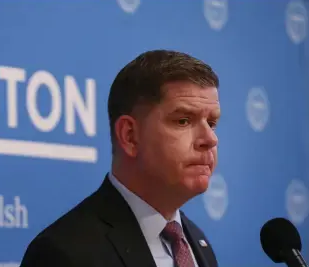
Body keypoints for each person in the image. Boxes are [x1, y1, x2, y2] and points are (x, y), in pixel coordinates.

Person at [20, 50, 221, 267]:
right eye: (183, 121)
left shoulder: (198, 244)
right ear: (130, 136)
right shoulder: (64, 253)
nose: (210, 139)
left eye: (211, 123)